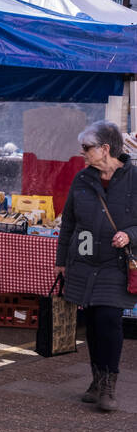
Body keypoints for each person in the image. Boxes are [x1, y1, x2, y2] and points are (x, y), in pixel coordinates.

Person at [56, 121, 136, 412]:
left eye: (87, 147)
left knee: (109, 321)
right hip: (84, 262)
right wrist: (61, 261)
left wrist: (130, 234)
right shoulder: (82, 179)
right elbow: (69, 223)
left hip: (116, 264)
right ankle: (96, 379)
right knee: (91, 322)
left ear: (105, 148)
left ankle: (109, 385)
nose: (83, 152)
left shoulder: (134, 178)